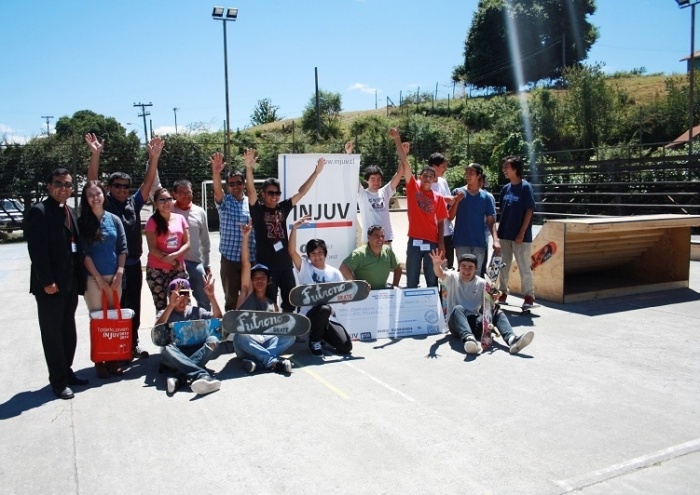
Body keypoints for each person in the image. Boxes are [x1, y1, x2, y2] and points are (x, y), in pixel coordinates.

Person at [86, 133, 163, 359]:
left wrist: (154, 158)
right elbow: (91, 183)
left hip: (133, 264)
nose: (122, 189)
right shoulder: (104, 203)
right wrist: (95, 154)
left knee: (133, 308)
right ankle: (113, 350)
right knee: (111, 311)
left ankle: (132, 344)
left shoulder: (133, 202)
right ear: (109, 187)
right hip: (110, 268)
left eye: (126, 186)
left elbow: (148, 184)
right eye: (117, 186)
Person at [26, 168, 88, 400]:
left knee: (68, 331)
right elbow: (37, 251)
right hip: (50, 286)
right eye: (59, 183)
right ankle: (58, 381)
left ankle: (67, 371)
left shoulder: (70, 211)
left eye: (68, 184)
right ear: (49, 186)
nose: (64, 188)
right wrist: (47, 280)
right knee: (53, 334)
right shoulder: (39, 212)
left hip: (70, 283)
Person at [245, 148, 325, 312]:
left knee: (291, 301)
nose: (274, 196)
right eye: (270, 193)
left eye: (277, 193)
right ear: (264, 194)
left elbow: (301, 192)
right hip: (267, 266)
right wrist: (249, 168)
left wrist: (316, 173)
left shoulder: (283, 208)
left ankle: (289, 332)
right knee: (270, 304)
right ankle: (272, 335)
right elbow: (251, 191)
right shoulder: (258, 210)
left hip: (285, 264)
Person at [430, 250, 534, 356]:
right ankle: (468, 339)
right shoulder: (452, 277)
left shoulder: (482, 283)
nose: (466, 270)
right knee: (458, 308)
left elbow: (487, 308)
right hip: (456, 323)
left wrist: (493, 298)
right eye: (463, 266)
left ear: (476, 269)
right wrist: (436, 265)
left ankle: (512, 340)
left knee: (497, 312)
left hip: (475, 322)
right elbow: (440, 273)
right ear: (459, 267)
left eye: (470, 267)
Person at [225, 222, 294, 374]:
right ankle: (272, 361)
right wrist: (245, 237)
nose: (259, 280)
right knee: (239, 337)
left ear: (268, 281)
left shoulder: (272, 304)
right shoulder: (245, 294)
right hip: (246, 343)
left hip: (265, 342)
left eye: (263, 277)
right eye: (256, 277)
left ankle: (257, 361)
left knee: (291, 336)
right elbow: (245, 263)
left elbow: (278, 330)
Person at [78, 180, 128, 378]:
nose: (95, 198)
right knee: (98, 320)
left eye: (97, 193)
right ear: (86, 199)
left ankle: (113, 359)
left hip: (115, 277)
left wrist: (120, 272)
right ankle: (99, 360)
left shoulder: (114, 219)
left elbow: (122, 248)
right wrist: (98, 279)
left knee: (114, 320)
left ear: (103, 195)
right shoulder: (83, 223)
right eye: (90, 195)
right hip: (94, 280)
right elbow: (84, 253)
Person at [390, 128, 448, 288]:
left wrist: (441, 243)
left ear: (434, 179)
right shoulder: (413, 187)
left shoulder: (439, 198)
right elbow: (404, 161)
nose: (428, 178)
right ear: (420, 177)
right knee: (412, 281)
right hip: (414, 240)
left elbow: (441, 222)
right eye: (425, 175)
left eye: (431, 176)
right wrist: (397, 138)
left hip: (432, 243)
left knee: (431, 280)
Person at [288, 215, 353, 356]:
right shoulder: (305, 267)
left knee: (345, 347)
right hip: (308, 316)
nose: (317, 256)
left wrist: (355, 291)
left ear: (325, 253)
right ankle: (314, 340)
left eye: (320, 253)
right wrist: (294, 228)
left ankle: (322, 334)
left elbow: (344, 299)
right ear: (309, 256)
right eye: (313, 254)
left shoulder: (334, 273)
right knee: (323, 308)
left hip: (328, 317)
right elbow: (292, 252)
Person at [156, 278, 223, 396]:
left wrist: (211, 297)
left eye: (185, 297)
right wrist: (171, 306)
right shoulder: (164, 313)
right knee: (166, 347)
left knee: (214, 340)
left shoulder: (197, 311)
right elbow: (157, 331)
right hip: (175, 356)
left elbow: (218, 321)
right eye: (177, 298)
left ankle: (179, 378)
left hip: (196, 350)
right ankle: (202, 375)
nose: (181, 302)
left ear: (189, 296)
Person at [210, 152, 255, 311]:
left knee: (250, 295)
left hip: (250, 259)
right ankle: (230, 331)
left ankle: (249, 329)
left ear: (244, 184)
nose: (235, 186)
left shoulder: (251, 202)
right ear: (227, 186)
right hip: (229, 259)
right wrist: (216, 173)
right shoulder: (224, 202)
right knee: (231, 297)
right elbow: (217, 191)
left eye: (238, 182)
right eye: (231, 184)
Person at [496, 156, 536, 307]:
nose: (504, 169)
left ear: (516, 169)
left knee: (524, 266)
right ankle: (503, 292)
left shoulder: (526, 187)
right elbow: (503, 209)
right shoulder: (506, 188)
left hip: (521, 236)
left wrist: (522, 232)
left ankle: (528, 296)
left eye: (507, 167)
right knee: (503, 266)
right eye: (504, 166)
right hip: (504, 234)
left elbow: (529, 210)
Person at [352, 140, 407, 243]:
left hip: (386, 238)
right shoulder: (362, 194)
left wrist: (404, 154)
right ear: (366, 181)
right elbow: (353, 175)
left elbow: (399, 174)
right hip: (369, 240)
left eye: (378, 179)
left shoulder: (385, 191)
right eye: (372, 179)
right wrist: (349, 154)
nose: (376, 182)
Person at [449, 163, 500, 274]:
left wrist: (496, 240)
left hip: (479, 242)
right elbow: (450, 216)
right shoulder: (457, 192)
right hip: (461, 241)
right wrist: (456, 201)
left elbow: (491, 221)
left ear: (478, 176)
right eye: (466, 173)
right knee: (462, 274)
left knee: (475, 274)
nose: (467, 175)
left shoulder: (486, 197)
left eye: (471, 173)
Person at [145, 187, 190, 312]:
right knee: (162, 308)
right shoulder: (152, 222)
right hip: (157, 270)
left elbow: (187, 244)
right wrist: (173, 261)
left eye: (169, 199)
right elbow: (153, 249)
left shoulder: (180, 218)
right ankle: (164, 331)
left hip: (178, 270)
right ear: (155, 203)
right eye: (162, 200)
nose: (166, 203)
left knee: (183, 303)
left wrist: (174, 256)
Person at [172, 178, 212, 310]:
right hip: (174, 265)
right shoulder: (169, 209)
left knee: (205, 299)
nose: (186, 195)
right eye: (182, 192)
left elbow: (205, 241)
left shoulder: (200, 212)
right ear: (175, 195)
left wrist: (206, 265)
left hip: (195, 263)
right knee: (180, 301)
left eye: (188, 192)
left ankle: (206, 327)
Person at [340, 225, 402, 290]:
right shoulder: (359, 253)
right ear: (368, 237)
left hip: (383, 293)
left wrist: (395, 286)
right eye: (376, 236)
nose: (380, 238)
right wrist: (357, 286)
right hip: (364, 294)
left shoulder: (387, 251)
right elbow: (343, 268)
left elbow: (398, 268)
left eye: (382, 236)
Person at [428, 152, 455, 269]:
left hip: (447, 232)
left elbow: (448, 205)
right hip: (430, 233)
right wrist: (444, 199)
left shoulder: (443, 182)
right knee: (433, 268)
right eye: (443, 166)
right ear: (434, 166)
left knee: (447, 268)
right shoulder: (423, 183)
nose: (445, 169)